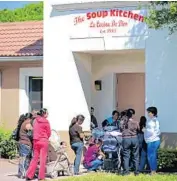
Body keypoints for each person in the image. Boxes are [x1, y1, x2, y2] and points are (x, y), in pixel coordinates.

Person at [26, 108, 51, 181]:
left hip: (35, 140)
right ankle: (41, 177)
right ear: (44, 114)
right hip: (43, 140)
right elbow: (49, 132)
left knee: (35, 158)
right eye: (47, 113)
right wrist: (46, 137)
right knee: (43, 159)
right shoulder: (46, 121)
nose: (48, 114)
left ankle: (29, 175)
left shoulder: (35, 120)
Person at [120, 109, 140, 176]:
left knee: (126, 156)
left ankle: (126, 172)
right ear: (132, 115)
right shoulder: (136, 122)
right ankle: (136, 172)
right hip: (134, 139)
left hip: (126, 139)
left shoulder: (122, 122)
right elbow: (138, 129)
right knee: (136, 156)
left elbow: (120, 129)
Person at [144, 107, 161, 175]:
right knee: (150, 156)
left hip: (153, 140)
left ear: (153, 113)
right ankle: (153, 170)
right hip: (149, 140)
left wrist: (146, 131)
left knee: (151, 156)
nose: (148, 113)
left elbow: (157, 131)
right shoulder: (149, 120)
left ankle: (153, 171)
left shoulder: (155, 121)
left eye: (149, 112)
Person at [18, 113, 33, 178]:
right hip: (25, 144)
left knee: (23, 159)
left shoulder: (23, 123)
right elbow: (31, 133)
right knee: (25, 160)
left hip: (22, 143)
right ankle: (24, 174)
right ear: (30, 118)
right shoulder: (27, 123)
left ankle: (21, 174)